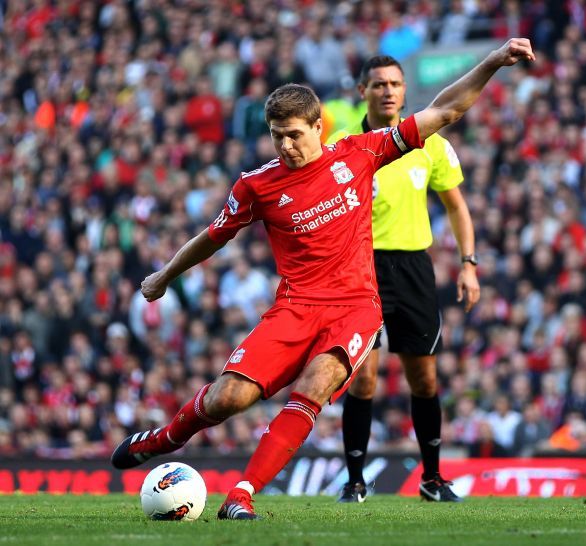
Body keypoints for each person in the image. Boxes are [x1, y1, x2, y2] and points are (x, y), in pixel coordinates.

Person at [110, 38, 536, 520]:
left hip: (356, 306)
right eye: (276, 136)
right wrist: (165, 275)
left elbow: (446, 111)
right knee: (230, 398)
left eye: (294, 134)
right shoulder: (257, 185)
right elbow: (213, 236)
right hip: (294, 307)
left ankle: (242, 495)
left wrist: (494, 61)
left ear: (318, 127)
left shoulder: (359, 154)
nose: (286, 146)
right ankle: (165, 439)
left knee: (317, 386)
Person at [326, 55, 480, 503]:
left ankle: (432, 479)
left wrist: (468, 263)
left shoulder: (427, 142)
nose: (388, 91)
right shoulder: (340, 143)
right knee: (363, 379)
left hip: (413, 267)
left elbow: (456, 206)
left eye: (395, 83)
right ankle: (354, 482)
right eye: (378, 84)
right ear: (362, 92)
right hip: (360, 269)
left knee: (425, 380)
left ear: (404, 90)